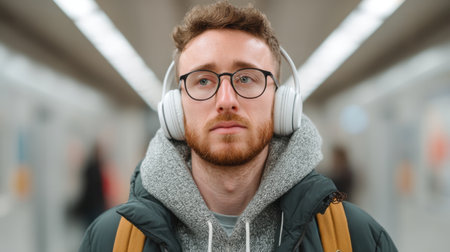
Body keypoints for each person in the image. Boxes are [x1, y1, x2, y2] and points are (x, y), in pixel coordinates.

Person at [79, 1, 397, 251]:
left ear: (282, 102)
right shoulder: (112, 241)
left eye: (246, 78)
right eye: (203, 80)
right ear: (175, 108)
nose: (226, 99)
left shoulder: (356, 239)